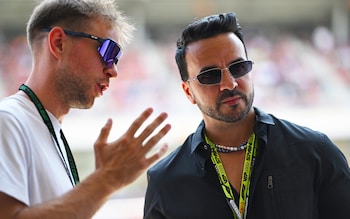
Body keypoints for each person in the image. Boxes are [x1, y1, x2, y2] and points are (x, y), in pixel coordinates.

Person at [144, 12, 350, 219]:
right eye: (210, 75)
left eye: (238, 67)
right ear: (188, 92)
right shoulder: (165, 180)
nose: (229, 84)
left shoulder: (315, 152)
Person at [0, 0, 171, 218]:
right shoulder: (8, 121)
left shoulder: (48, 130)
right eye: (108, 51)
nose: (114, 71)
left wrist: (100, 181)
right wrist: (106, 180)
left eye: (117, 59)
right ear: (59, 43)